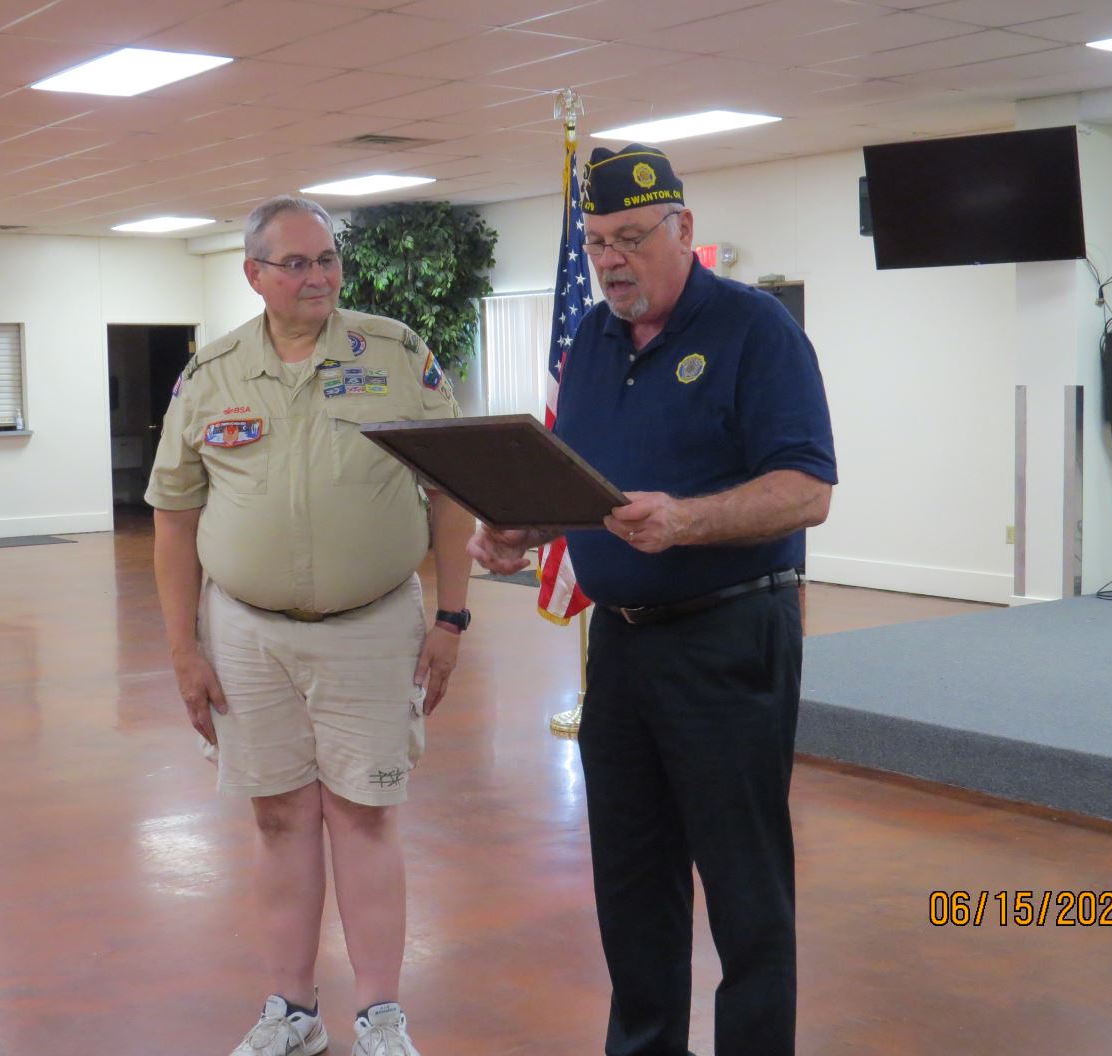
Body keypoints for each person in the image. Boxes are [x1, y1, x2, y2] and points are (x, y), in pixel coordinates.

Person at [468, 144, 836, 1056]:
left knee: (745, 888)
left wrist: (687, 520)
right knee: (632, 881)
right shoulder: (592, 341)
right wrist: (525, 528)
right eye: (597, 243)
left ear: (684, 229)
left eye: (631, 238)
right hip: (623, 648)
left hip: (730, 638)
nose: (611, 261)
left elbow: (806, 491)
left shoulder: (754, 329)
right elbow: (590, 487)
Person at [146, 195, 475, 1056]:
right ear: (253, 274)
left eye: (327, 258)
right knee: (279, 818)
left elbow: (452, 490)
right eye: (294, 263)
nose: (317, 276)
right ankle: (292, 1012)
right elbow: (174, 518)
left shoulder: (394, 355)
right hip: (246, 636)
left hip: (373, 627)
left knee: (366, 815)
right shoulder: (211, 374)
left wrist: (452, 616)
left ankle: (380, 1016)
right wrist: (182, 649)